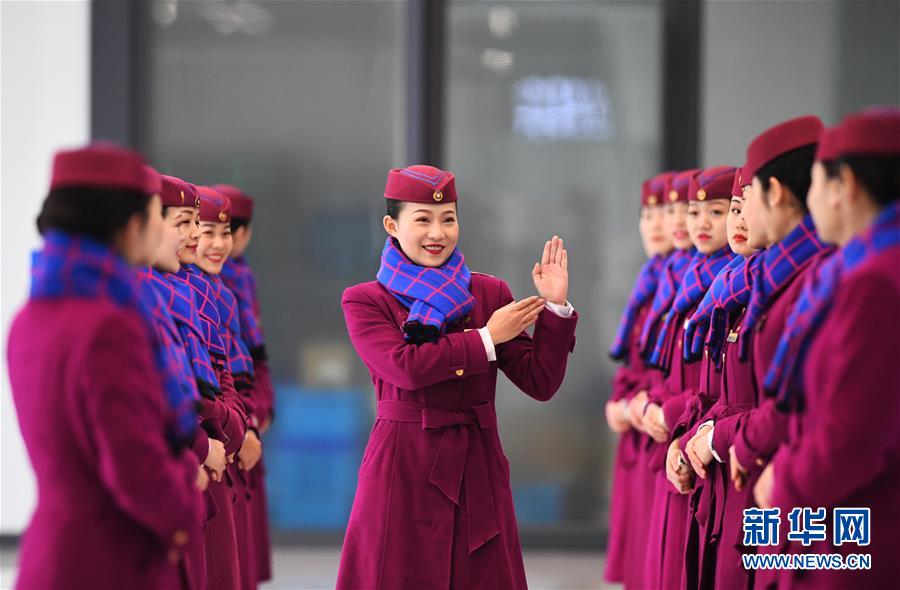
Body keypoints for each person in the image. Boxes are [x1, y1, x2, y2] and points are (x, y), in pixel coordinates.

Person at [336, 165, 578, 589]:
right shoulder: (366, 300)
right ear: (392, 225)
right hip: (402, 467)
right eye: (423, 220)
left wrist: (555, 308)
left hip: (476, 465)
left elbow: (540, 382)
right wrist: (486, 338)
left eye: (448, 219)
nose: (438, 232)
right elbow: (404, 367)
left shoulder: (489, 293)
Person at [6, 144, 204, 589]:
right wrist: (185, 501)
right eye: (157, 215)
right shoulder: (109, 326)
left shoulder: (30, 317)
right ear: (130, 227)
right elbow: (135, 467)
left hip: (52, 554)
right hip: (112, 561)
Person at [757, 108, 900, 589]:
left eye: (817, 182)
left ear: (847, 186)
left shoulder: (875, 284)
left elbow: (853, 438)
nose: (810, 198)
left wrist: (784, 480)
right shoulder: (857, 271)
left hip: (857, 530)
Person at [644, 167, 737, 589]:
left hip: (706, 441)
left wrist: (674, 415)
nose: (696, 223)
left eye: (717, 211)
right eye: (693, 211)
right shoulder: (689, 279)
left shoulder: (733, 282)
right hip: (681, 434)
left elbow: (717, 384)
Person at [604, 171, 673, 589]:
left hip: (666, 432)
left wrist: (637, 405)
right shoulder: (651, 282)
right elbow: (633, 365)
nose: (659, 226)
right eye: (648, 216)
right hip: (639, 430)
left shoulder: (700, 284)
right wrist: (621, 403)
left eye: (668, 213)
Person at [216, 183, 274, 584]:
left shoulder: (239, 281)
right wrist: (241, 428)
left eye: (227, 232)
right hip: (220, 438)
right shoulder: (196, 290)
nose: (220, 243)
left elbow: (255, 359)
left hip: (238, 424)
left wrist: (255, 417)